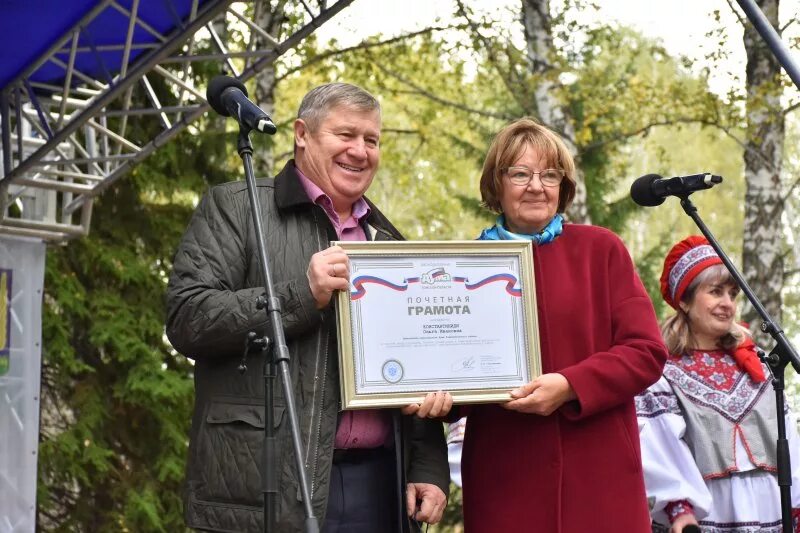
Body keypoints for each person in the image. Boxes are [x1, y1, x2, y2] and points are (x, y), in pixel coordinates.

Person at [165, 82, 450, 533]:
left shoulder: (389, 243)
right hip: (266, 483)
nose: (360, 151)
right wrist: (300, 294)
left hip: (379, 484)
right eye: (346, 135)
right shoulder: (237, 208)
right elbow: (187, 318)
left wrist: (430, 465)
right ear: (302, 133)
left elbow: (413, 369)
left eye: (371, 140)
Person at [407, 117, 668, 531]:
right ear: (497, 184)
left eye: (550, 175)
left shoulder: (601, 250)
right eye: (521, 173)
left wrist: (570, 386)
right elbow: (452, 371)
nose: (536, 186)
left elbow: (646, 352)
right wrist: (434, 395)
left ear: (563, 187)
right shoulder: (460, 269)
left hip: (600, 479)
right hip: (505, 478)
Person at [635, 235, 800, 532]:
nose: (727, 304)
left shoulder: (759, 366)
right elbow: (659, 448)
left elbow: (790, 442)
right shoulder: (662, 374)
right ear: (684, 301)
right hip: (707, 516)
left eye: (732, 294)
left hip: (773, 513)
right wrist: (680, 510)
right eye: (715, 292)